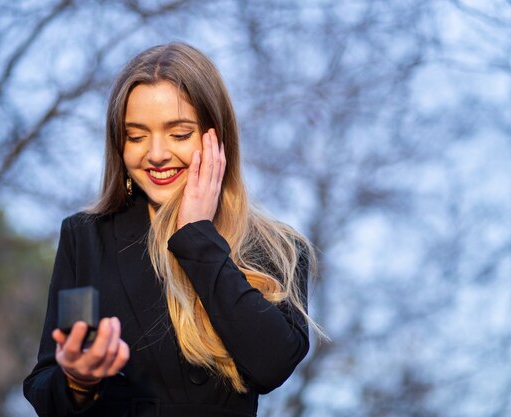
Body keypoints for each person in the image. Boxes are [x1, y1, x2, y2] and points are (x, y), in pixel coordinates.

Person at [23, 42, 318, 417]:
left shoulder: (277, 247)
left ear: (216, 137)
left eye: (179, 134)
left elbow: (272, 364)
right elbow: (48, 386)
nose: (157, 153)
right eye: (136, 136)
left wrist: (196, 234)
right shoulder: (87, 238)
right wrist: (78, 378)